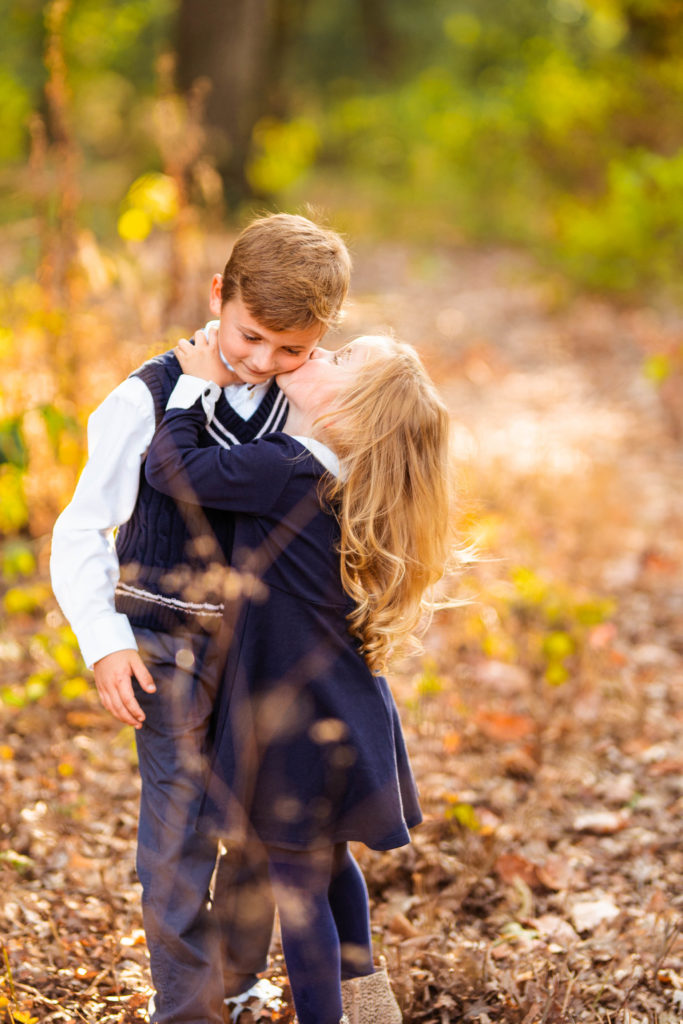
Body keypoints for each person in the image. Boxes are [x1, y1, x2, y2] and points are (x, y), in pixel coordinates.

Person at [49, 213, 352, 1024]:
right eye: (250, 335)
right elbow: (82, 528)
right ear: (219, 295)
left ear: (321, 338)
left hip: (271, 652)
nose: (263, 361)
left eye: (291, 349)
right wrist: (105, 644)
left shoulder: (312, 403)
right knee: (179, 831)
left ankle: (239, 984)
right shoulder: (143, 398)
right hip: (165, 644)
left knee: (265, 824)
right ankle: (186, 1009)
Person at [143, 328, 452, 1024]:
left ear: (345, 415)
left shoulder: (284, 469)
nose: (317, 353)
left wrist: (192, 384)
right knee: (330, 864)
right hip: (347, 712)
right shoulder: (346, 484)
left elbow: (173, 470)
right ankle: (370, 1004)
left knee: (295, 887)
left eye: (337, 360)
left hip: (292, 729)